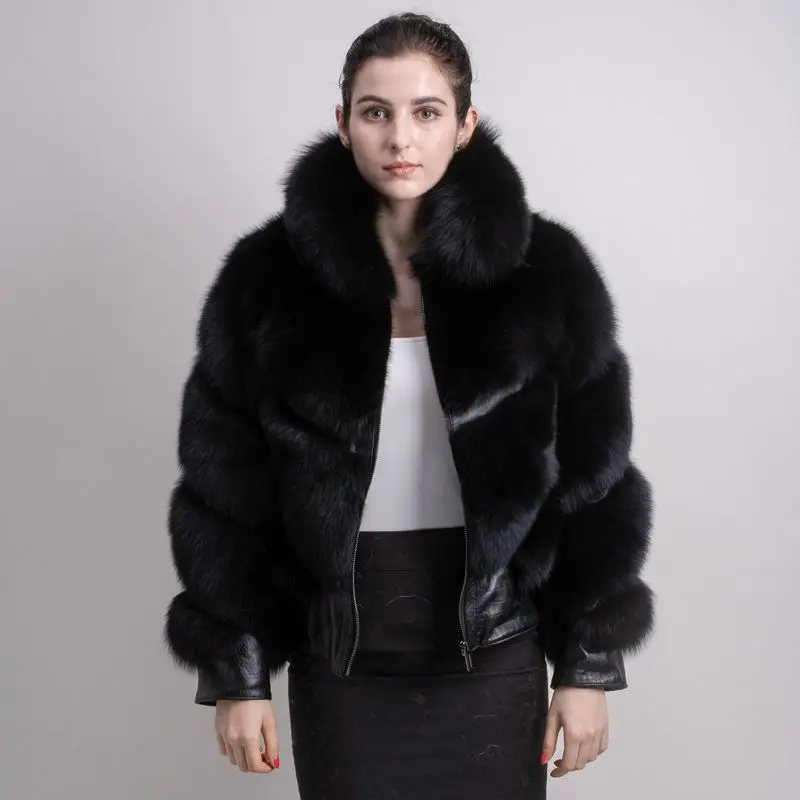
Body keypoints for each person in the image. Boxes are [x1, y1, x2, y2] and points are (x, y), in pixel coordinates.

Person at [163, 12, 655, 800]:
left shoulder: (547, 274)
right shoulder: (265, 281)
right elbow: (224, 495)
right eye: (376, 112)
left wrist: (588, 665)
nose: (400, 138)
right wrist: (238, 675)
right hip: (342, 658)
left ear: (465, 124)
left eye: (426, 112)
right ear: (343, 123)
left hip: (495, 650)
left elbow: (596, 486)